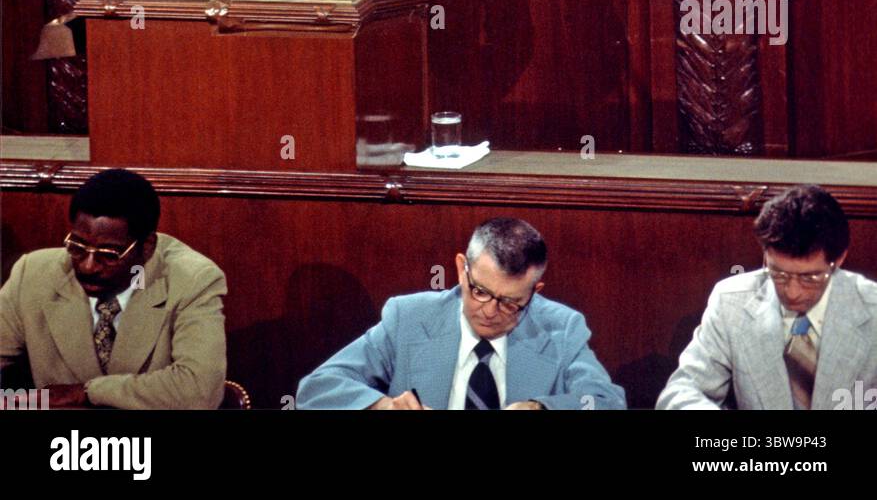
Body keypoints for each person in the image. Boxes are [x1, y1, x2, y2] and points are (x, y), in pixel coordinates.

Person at [295, 217, 625, 410]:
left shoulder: (560, 328)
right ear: (460, 269)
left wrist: (542, 407)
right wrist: (381, 405)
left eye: (510, 302)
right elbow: (316, 388)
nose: (490, 312)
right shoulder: (409, 317)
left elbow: (607, 400)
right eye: (479, 291)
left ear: (534, 293)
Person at [0, 168, 226, 410]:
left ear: (147, 246)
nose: (87, 266)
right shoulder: (33, 273)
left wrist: (87, 392)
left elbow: (199, 390)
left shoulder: (192, 279)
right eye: (77, 246)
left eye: (109, 254)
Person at [656, 185, 877, 410]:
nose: (792, 292)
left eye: (809, 277)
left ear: (839, 259)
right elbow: (681, 391)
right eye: (779, 274)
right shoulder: (731, 302)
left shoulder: (873, 309)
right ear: (765, 256)